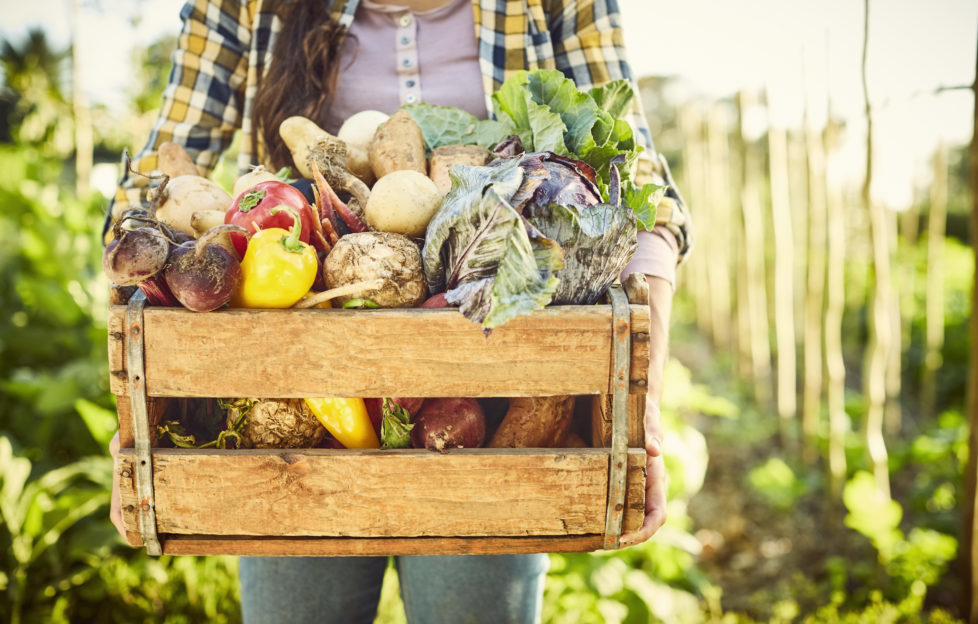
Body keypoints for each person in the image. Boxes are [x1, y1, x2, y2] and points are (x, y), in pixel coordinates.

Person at [108, 0, 693, 622]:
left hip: (491, 397)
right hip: (294, 400)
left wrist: (641, 408)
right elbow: (147, 188)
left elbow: (644, 203)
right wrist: (143, 408)